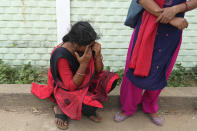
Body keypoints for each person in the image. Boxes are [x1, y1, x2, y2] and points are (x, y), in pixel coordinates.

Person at [114, 0, 197, 126]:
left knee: (162, 69)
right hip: (148, 23)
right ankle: (128, 107)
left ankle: (150, 106)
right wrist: (171, 19)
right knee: (135, 67)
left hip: (172, 32)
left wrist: (176, 9)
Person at [31, 21, 119, 130]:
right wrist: (83, 64)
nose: (92, 46)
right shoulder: (61, 55)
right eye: (90, 45)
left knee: (111, 80)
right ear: (77, 44)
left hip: (83, 82)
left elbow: (98, 71)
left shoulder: (86, 47)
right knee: (88, 105)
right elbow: (70, 86)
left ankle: (86, 107)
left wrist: (97, 55)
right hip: (64, 89)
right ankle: (60, 108)